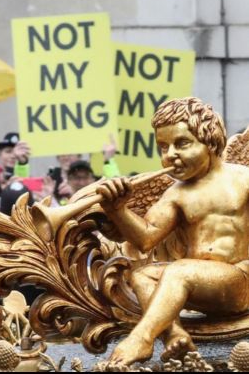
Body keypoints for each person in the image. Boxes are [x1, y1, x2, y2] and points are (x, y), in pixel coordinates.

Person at [98, 97, 249, 365]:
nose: (170, 156)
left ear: (210, 141)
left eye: (182, 144)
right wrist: (117, 210)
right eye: (163, 147)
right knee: (144, 276)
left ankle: (142, 338)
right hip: (200, 285)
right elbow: (146, 239)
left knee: (179, 270)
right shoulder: (175, 194)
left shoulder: (242, 179)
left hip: (241, 282)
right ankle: (174, 334)